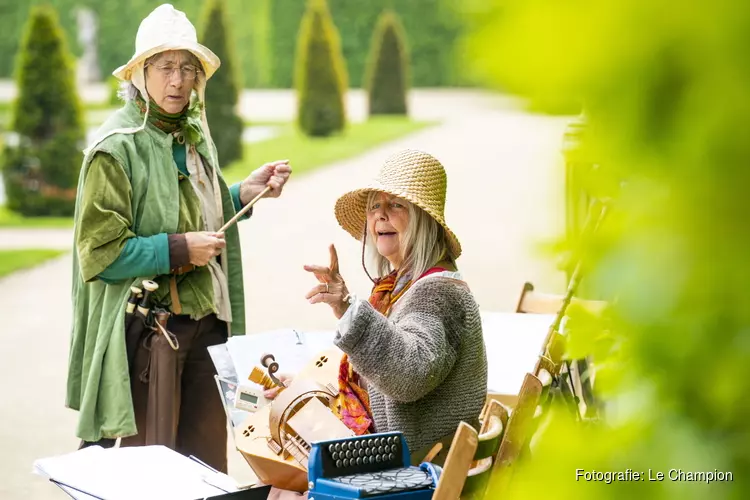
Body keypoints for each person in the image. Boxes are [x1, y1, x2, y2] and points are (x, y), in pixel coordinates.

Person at [65, 4, 291, 473]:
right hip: (149, 338)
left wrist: (242, 194)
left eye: (188, 68)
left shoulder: (190, 136)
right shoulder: (115, 148)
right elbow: (100, 253)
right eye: (166, 67)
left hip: (207, 330)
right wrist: (178, 250)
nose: (178, 80)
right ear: (140, 73)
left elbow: (188, 211)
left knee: (207, 473)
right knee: (151, 475)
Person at [299, 149, 488, 465]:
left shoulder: (439, 292)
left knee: (282, 488)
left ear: (423, 220)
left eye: (396, 205)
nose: (380, 215)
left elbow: (407, 374)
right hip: (417, 465)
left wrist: (347, 307)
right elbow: (380, 372)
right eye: (374, 206)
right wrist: (305, 387)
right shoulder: (408, 285)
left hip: (419, 474)